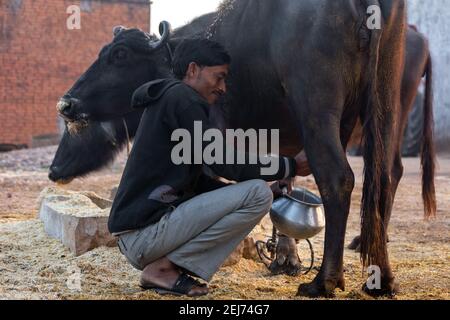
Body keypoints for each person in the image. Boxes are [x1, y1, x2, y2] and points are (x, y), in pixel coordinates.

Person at [108, 38, 310, 297]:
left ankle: (164, 267)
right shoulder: (182, 98)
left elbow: (198, 182)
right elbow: (222, 161)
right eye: (219, 77)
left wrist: (267, 190)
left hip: (140, 236)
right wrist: (288, 165)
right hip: (144, 235)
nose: (223, 87)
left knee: (261, 192)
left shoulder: (171, 100)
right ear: (193, 70)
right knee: (257, 194)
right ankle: (162, 270)